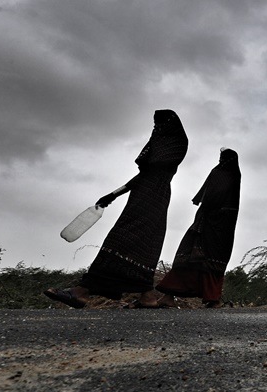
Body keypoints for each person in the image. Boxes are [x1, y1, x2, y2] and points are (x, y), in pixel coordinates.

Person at [44, 109, 188, 309]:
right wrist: (113, 195)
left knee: (123, 240)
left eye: (161, 124)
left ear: (171, 126)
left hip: (154, 198)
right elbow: (142, 176)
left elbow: (153, 168)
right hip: (143, 195)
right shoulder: (158, 151)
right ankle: (147, 296)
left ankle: (82, 292)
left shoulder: (175, 145)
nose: (157, 128)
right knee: (141, 245)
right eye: (155, 124)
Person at [154, 148, 241, 308]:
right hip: (208, 225)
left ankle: (210, 299)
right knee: (192, 259)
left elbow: (217, 198)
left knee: (209, 261)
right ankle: (176, 297)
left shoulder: (228, 174)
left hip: (220, 227)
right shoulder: (225, 173)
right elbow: (211, 198)